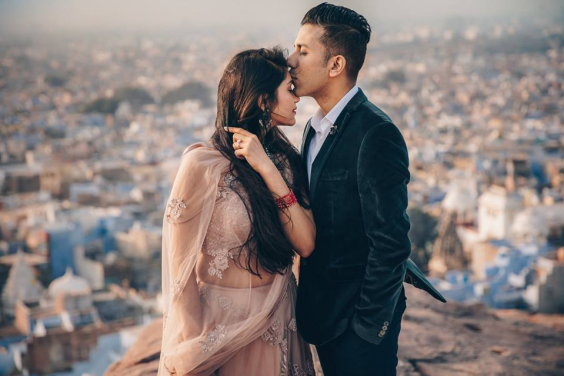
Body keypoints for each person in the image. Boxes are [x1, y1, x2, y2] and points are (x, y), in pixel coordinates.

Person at [288, 3, 446, 376]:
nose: (291, 60)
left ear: (336, 65)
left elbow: (391, 243)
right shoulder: (313, 128)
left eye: (303, 51)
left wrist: (368, 327)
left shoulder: (375, 133)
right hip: (323, 313)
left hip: (357, 325)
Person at [158, 47, 316, 376]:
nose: (297, 96)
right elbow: (180, 269)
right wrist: (196, 343)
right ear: (262, 100)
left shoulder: (286, 163)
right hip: (221, 330)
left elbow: (305, 244)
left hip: (279, 317)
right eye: (289, 89)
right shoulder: (202, 165)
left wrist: (268, 170)